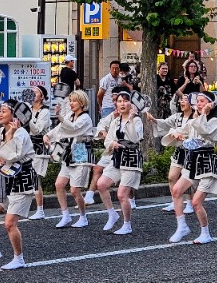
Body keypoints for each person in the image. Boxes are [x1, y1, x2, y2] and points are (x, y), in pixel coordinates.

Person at [0, 99, 38, 271]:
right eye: (0, 110)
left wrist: (9, 137)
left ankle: (19, 258)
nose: (0, 113)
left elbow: (12, 156)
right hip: (6, 180)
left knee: (10, 223)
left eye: (4, 111)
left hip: (22, 181)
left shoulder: (21, 134)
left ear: (14, 115)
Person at [163, 90, 217, 244]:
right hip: (192, 163)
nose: (199, 104)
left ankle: (205, 232)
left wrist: (201, 114)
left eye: (203, 101)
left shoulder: (214, 121)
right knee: (176, 190)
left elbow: (206, 131)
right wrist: (175, 135)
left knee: (196, 202)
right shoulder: (195, 119)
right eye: (198, 101)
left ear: (210, 104)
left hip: (207, 165)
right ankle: (181, 226)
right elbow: (181, 130)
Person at [95, 89, 143, 234]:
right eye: (120, 101)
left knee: (122, 194)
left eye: (125, 101)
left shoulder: (137, 120)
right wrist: (112, 144)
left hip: (131, 158)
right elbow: (108, 140)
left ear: (131, 104)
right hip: (117, 157)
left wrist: (131, 119)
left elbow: (136, 138)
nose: (122, 104)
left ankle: (127, 224)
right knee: (101, 184)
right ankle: (112, 213)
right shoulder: (115, 121)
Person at [44, 90, 94, 228]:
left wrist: (59, 115)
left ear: (82, 103)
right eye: (70, 100)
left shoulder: (85, 118)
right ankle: (65, 215)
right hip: (69, 153)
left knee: (74, 190)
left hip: (81, 152)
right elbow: (60, 129)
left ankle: (83, 216)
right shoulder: (70, 115)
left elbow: (72, 129)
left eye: (74, 101)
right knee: (59, 184)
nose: (71, 103)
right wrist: (48, 136)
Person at [148, 93, 195, 213]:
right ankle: (175, 201)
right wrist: (153, 119)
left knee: (187, 178)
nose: (182, 102)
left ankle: (190, 203)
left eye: (185, 100)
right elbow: (165, 123)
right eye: (181, 100)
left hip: (191, 151)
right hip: (179, 151)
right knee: (172, 177)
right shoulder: (177, 116)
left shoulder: (195, 118)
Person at [27, 86, 51, 219]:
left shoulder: (45, 112)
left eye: (35, 92)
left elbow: (37, 130)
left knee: (35, 178)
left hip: (40, 147)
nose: (32, 94)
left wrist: (26, 117)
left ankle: (40, 210)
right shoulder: (29, 109)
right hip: (28, 147)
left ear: (42, 97)